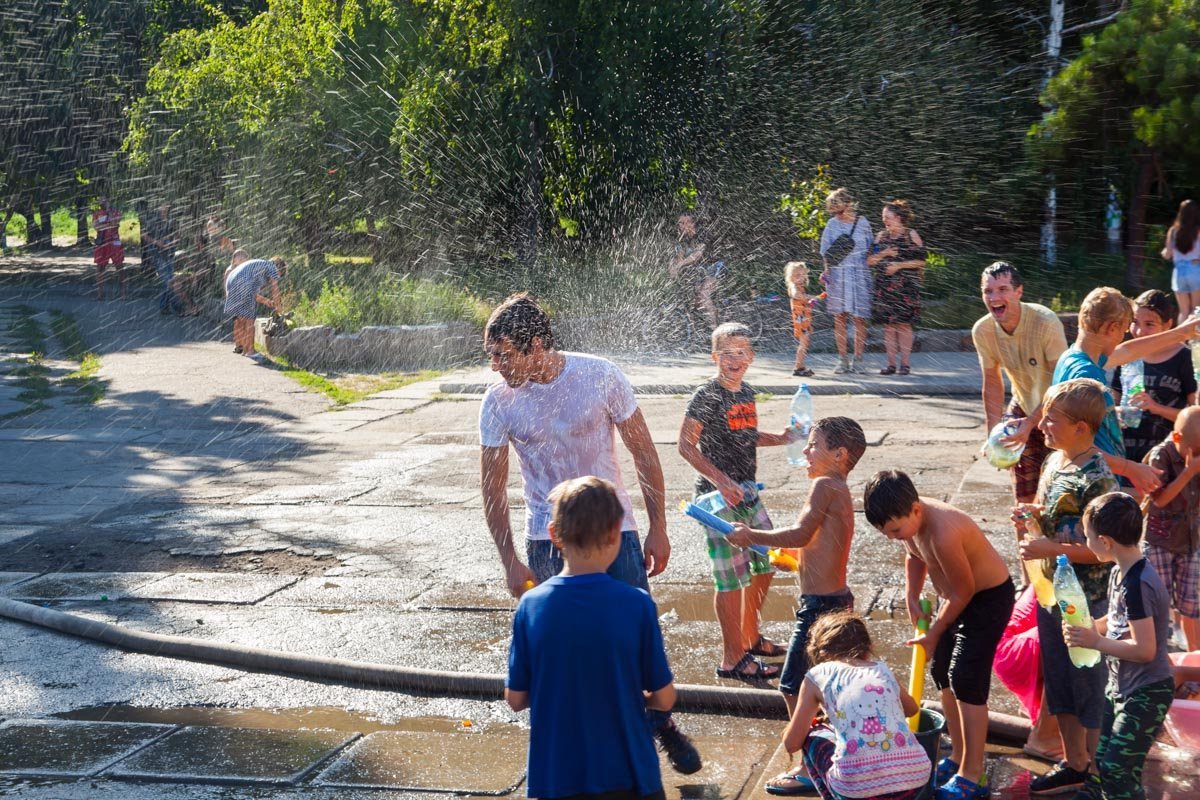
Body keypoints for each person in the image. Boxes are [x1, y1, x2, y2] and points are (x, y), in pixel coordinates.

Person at [478, 293, 701, 774]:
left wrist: (659, 528)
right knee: (558, 649)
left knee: (636, 637)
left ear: (536, 345)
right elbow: (492, 487)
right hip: (547, 538)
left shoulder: (598, 375)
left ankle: (662, 725)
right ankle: (570, 744)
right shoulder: (497, 400)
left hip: (613, 531)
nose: (495, 366)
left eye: (504, 354)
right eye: (490, 355)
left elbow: (644, 453)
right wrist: (509, 560)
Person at [506, 476, 677, 800]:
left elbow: (516, 699)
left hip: (556, 776)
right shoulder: (637, 604)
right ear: (616, 533)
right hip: (630, 774)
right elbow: (665, 697)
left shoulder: (531, 606)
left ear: (554, 534)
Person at [729, 416, 866, 795]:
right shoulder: (837, 487)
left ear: (838, 455)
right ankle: (843, 752)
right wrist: (792, 555)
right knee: (831, 687)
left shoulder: (824, 485)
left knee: (793, 685)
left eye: (813, 446)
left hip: (820, 608)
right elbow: (815, 541)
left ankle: (810, 767)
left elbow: (803, 531)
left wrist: (749, 535)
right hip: (836, 602)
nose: (804, 452)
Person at [863, 469, 1014, 800]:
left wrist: (934, 632)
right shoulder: (909, 523)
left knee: (966, 680)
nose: (893, 537)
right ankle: (958, 756)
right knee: (943, 674)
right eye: (886, 533)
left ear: (916, 509)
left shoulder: (943, 531)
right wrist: (911, 596)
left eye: (896, 530)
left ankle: (974, 776)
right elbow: (913, 554)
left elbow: (965, 591)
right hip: (956, 600)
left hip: (986, 599)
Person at [1014, 378, 1119, 796]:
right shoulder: (1056, 462)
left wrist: (1049, 545)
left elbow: (1106, 550)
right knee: (1058, 679)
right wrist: (1033, 514)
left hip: (1086, 597)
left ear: (1081, 427)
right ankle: (1074, 760)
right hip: (1052, 591)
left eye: (1052, 420)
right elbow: (1057, 514)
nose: (1042, 426)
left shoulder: (1099, 478)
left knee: (1088, 684)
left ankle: (1093, 767)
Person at [678, 322, 795, 683]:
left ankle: (750, 637)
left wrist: (782, 438)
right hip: (716, 500)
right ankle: (732, 659)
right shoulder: (707, 395)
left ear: (751, 357)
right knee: (731, 579)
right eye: (726, 353)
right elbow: (685, 445)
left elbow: (744, 436)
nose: (733, 360)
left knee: (765, 563)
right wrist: (721, 480)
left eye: (740, 353)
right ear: (714, 357)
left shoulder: (746, 392)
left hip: (746, 492)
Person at [1063, 492, 1174, 800]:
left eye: (1087, 537)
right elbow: (1113, 623)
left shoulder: (1137, 585)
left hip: (1147, 692)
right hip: (1121, 687)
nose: (1086, 543)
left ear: (1105, 541)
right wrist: (1087, 629)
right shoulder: (1120, 572)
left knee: (1117, 770)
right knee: (1104, 762)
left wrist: (1096, 642)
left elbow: (1145, 650)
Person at [1051, 286, 1200, 495]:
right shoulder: (1086, 375)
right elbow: (1076, 445)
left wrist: (1182, 332)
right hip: (1090, 484)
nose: (1124, 338)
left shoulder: (1075, 357)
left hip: (1092, 477)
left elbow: (1128, 351)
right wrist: (1131, 469)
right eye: (1123, 331)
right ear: (1112, 328)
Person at [781, 610, 932, 800]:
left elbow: (791, 744)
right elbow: (912, 709)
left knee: (813, 732)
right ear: (868, 647)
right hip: (914, 779)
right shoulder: (882, 670)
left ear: (821, 651)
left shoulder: (817, 675)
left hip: (855, 789)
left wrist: (798, 727)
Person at [972, 261, 1069, 540]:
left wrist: (1031, 423)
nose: (994, 298)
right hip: (1022, 405)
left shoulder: (1044, 321)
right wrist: (992, 435)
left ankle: (1060, 557)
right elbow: (992, 382)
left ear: (1019, 292)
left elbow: (1059, 384)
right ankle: (1028, 577)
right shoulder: (983, 330)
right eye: (987, 291)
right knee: (1024, 500)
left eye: (1002, 289)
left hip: (1059, 411)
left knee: (1058, 494)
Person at [1110, 290, 1197, 464]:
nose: (1140, 331)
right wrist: (1117, 412)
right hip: (1125, 454)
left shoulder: (1184, 358)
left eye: (1150, 324)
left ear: (1168, 325)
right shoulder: (1128, 355)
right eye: (1135, 322)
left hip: (1168, 456)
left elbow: (1196, 417)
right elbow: (1112, 403)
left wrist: (1157, 408)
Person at [1141, 406, 1200, 651]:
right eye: (1193, 451)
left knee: (1191, 605)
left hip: (1190, 540)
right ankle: (1158, 656)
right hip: (1159, 541)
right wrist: (1188, 473)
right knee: (1158, 602)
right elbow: (1159, 500)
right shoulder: (1161, 456)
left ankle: (1195, 657)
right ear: (1176, 438)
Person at [867, 200, 926, 375]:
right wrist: (884, 253)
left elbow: (921, 261)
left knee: (904, 326)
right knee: (889, 327)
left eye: (888, 217)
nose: (885, 220)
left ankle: (905, 364)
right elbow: (869, 261)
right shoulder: (880, 237)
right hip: (885, 288)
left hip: (906, 288)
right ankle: (891, 364)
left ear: (899, 218)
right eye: (883, 217)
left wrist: (899, 266)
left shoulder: (911, 235)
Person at [819, 188, 874, 374]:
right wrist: (826, 272)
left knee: (860, 318)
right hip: (838, 274)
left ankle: (858, 359)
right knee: (839, 318)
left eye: (837, 206)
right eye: (833, 207)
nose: (835, 210)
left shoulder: (863, 223)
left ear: (848, 203)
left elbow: (870, 249)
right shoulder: (831, 224)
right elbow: (826, 252)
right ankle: (842, 360)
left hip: (859, 272)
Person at [222, 249, 284, 361]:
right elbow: (275, 290)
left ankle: (245, 350)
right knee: (250, 321)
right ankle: (250, 351)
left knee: (243, 319)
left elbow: (253, 294)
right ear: (279, 268)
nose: (278, 277)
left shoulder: (259, 265)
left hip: (231, 282)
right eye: (280, 275)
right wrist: (279, 308)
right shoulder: (273, 268)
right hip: (241, 283)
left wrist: (266, 301)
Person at [670, 212, 722, 328]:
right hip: (703, 270)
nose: (682, 225)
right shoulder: (682, 238)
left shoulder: (703, 233)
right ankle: (694, 328)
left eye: (685, 222)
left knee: (703, 294)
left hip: (716, 266)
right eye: (680, 223)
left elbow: (697, 255)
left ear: (692, 223)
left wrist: (679, 266)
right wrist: (673, 268)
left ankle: (715, 329)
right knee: (692, 298)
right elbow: (680, 258)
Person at [1161, 198, 1200, 322]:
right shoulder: (1198, 230)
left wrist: (1163, 252)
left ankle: (1180, 340)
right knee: (1196, 309)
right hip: (1195, 269)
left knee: (1183, 311)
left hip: (1179, 271)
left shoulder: (1173, 231)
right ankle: (1195, 341)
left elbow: (1167, 254)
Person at [142, 202, 180, 315]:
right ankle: (176, 307)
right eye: (163, 206)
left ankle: (164, 306)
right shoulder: (153, 220)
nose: (165, 208)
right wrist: (157, 242)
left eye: (167, 206)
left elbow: (178, 235)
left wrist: (173, 242)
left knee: (169, 281)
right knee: (168, 281)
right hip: (157, 254)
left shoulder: (172, 220)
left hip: (169, 254)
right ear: (159, 207)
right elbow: (143, 235)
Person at [91, 196, 126, 300]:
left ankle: (124, 294)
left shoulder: (116, 211)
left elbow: (115, 222)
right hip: (102, 243)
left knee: (120, 268)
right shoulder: (96, 214)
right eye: (100, 200)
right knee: (99, 269)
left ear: (108, 201)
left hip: (115, 243)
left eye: (104, 200)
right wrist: (109, 224)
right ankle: (100, 294)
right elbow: (96, 227)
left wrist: (109, 212)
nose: (102, 202)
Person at [785, 261, 814, 377]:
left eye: (803, 275)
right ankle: (797, 367)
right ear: (791, 277)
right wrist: (809, 297)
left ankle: (800, 366)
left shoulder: (800, 287)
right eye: (797, 276)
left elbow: (801, 300)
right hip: (800, 319)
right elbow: (796, 295)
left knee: (805, 343)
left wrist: (809, 302)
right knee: (803, 343)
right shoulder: (793, 286)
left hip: (804, 318)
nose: (801, 278)